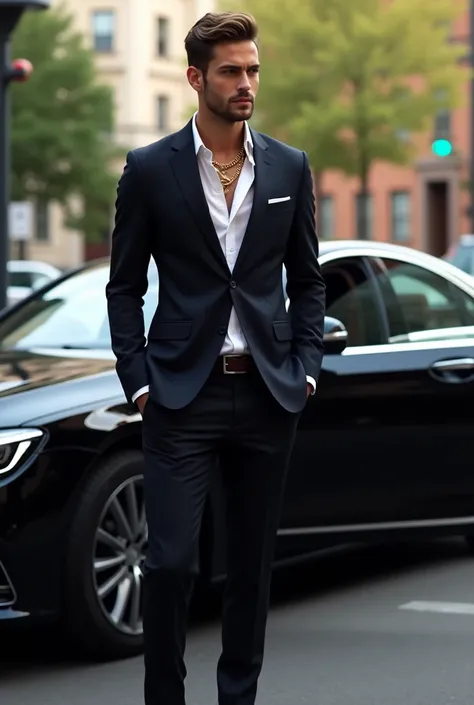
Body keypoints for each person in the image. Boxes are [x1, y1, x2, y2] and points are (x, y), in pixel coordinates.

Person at [105, 11, 326, 705]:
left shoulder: (289, 165)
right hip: (180, 395)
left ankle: (239, 698)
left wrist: (306, 363)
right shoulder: (148, 170)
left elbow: (309, 277)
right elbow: (124, 284)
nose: (246, 83)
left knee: (251, 570)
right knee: (169, 564)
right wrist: (138, 379)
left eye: (253, 69)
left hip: (267, 391)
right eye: (231, 70)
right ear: (197, 77)